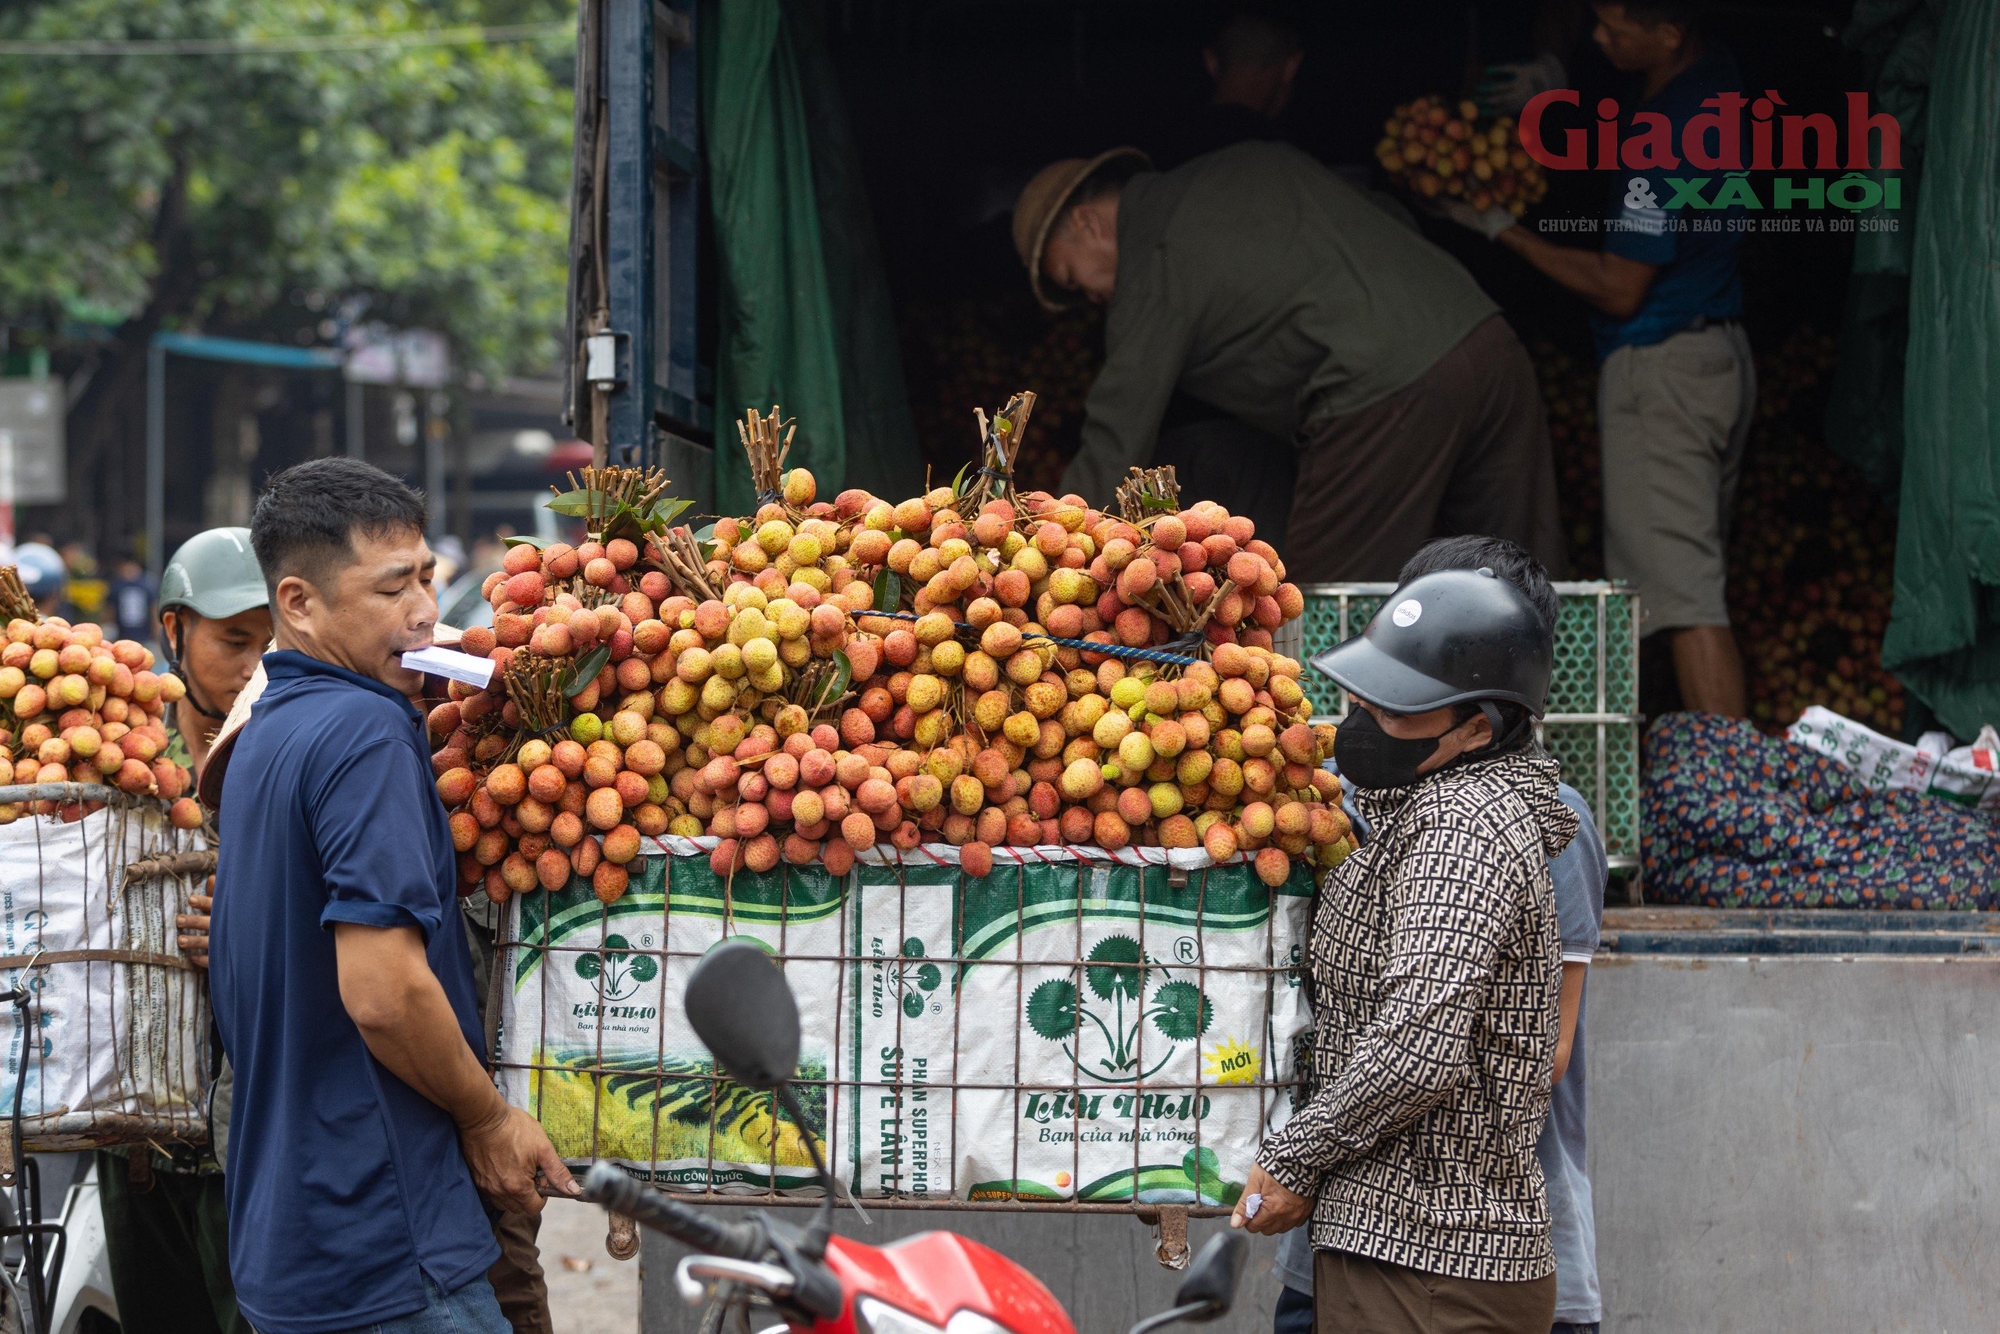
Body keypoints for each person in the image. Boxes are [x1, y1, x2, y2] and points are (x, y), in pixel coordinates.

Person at [210, 457, 577, 1334]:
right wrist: (488, 1119)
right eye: (390, 589)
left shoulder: (270, 730)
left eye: (426, 577)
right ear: (297, 604)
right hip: (383, 1240)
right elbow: (381, 992)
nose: (422, 610)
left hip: (292, 1244)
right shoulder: (366, 731)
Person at [1269, 536, 1607, 1334]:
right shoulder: (1384, 803)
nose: (1366, 721)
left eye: (1404, 695)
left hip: (1452, 1240)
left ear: (1479, 720)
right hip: (1352, 1219)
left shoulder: (1498, 824)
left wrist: (1296, 1151)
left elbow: (1532, 1050)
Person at [1012, 141, 1569, 581]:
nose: (1091, 299)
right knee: (1518, 577)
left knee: (1323, 606)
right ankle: (1547, 723)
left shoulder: (1154, 258)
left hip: (1378, 393)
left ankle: (1336, 730)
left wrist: (1037, 545)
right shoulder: (1251, 162)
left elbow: (1116, 430)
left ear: (1087, 223)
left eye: (1071, 279)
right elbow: (1389, 212)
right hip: (1485, 336)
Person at [1444, 0, 1752, 715]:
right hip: (1719, 355)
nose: (1597, 36)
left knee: (1684, 600)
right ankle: (1702, 775)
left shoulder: (1667, 132)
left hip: (1662, 369)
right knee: (1686, 583)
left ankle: (1741, 803)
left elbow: (1620, 287)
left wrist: (1501, 230)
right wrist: (1565, 89)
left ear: (1672, 32)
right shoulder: (1718, 82)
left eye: (1615, 27)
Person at [92, 528, 271, 1334]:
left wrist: (245, 930)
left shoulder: (288, 747)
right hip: (136, 1131)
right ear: (174, 631)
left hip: (255, 1126)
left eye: (271, 642)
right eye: (234, 640)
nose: (252, 663)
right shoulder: (119, 755)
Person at [107, 554, 157, 647]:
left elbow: (153, 610)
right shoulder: (116, 587)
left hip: (144, 637)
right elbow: (110, 611)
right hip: (122, 637)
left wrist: (156, 634)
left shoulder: (147, 586)